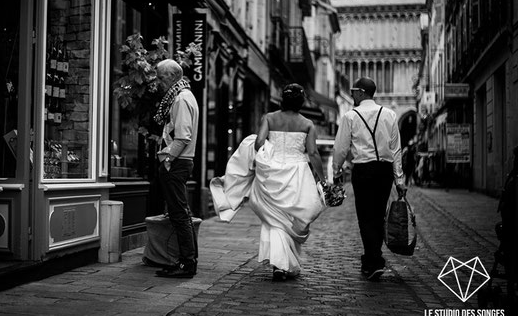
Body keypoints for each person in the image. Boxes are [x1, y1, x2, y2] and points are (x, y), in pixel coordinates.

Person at [210, 83, 327, 281]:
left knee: (274, 219)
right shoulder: (307, 123)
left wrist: (268, 153)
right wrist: (323, 179)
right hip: (297, 174)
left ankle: (280, 264)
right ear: (300, 101)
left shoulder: (270, 118)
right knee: (291, 218)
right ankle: (283, 263)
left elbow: (258, 143)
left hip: (271, 173)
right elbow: (313, 153)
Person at [332, 77, 406, 281]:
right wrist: (399, 180)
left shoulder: (350, 117)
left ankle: (373, 260)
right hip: (384, 171)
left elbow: (340, 148)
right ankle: (373, 258)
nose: (352, 94)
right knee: (379, 213)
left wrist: (336, 171)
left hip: (363, 170)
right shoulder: (390, 115)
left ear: (361, 92)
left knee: (365, 216)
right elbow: (396, 149)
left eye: (354, 91)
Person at [153, 59, 200, 279]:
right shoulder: (185, 95)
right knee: (181, 213)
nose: (158, 82)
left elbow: (183, 136)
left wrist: (168, 160)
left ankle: (187, 264)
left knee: (179, 215)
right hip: (181, 161)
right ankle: (187, 260)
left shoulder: (181, 99)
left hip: (178, 162)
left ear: (172, 76)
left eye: (161, 78)